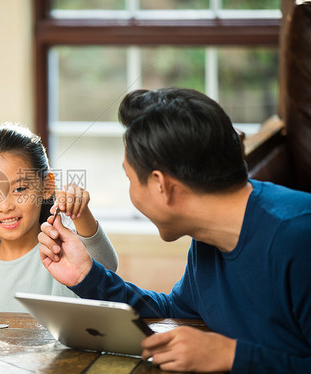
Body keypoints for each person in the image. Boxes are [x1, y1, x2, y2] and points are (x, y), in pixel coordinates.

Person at [38, 88, 311, 373]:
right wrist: (87, 276)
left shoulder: (299, 237)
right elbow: (172, 312)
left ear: (161, 185)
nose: (131, 192)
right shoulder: (208, 237)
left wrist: (230, 355)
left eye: (129, 178)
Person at [0, 122, 118, 312]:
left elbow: (107, 269)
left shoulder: (62, 251)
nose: (5, 206)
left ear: (46, 186)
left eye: (19, 189)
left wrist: (82, 214)